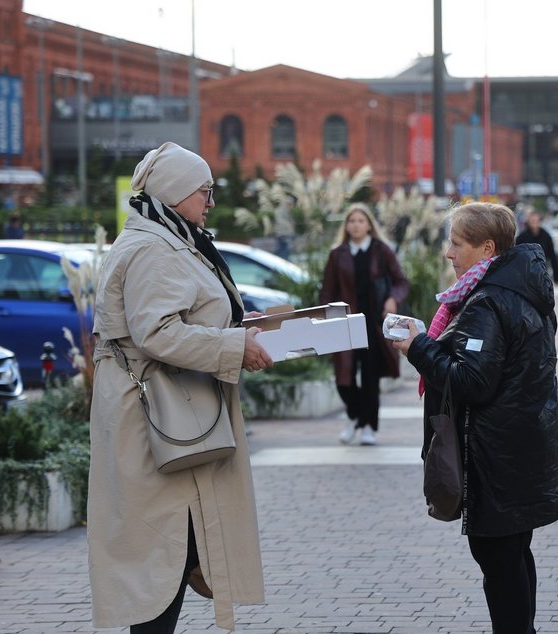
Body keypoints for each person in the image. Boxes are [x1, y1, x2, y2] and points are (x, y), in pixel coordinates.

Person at [88, 142, 273, 633]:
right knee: (159, 552)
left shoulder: (169, 236)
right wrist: (233, 347)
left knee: (171, 540)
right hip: (154, 416)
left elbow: (183, 315)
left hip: (169, 412)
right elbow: (157, 332)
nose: (210, 202)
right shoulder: (154, 246)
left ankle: (194, 569)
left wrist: (234, 328)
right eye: (203, 191)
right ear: (173, 192)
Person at [392, 202, 558, 634]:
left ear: (486, 248)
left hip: (497, 453)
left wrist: (417, 347)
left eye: (456, 243)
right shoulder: (518, 288)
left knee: (499, 559)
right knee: (513, 554)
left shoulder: (486, 301)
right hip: (520, 443)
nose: (448, 253)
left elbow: (471, 381)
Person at [319, 202, 409, 446]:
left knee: (370, 379)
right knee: (343, 380)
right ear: (346, 226)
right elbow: (327, 291)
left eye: (360, 220)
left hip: (373, 325)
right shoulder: (338, 254)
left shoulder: (382, 250)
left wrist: (393, 299)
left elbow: (401, 282)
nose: (355, 225)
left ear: (369, 225)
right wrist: (326, 319)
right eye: (351, 221)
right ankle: (354, 416)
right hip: (345, 324)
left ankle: (369, 426)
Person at [515, 209, 558, 284]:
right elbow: (516, 257)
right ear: (528, 221)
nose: (535, 223)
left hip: (542, 271)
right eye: (532, 220)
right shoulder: (522, 237)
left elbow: (552, 256)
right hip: (526, 272)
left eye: (537, 220)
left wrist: (557, 277)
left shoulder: (546, 236)